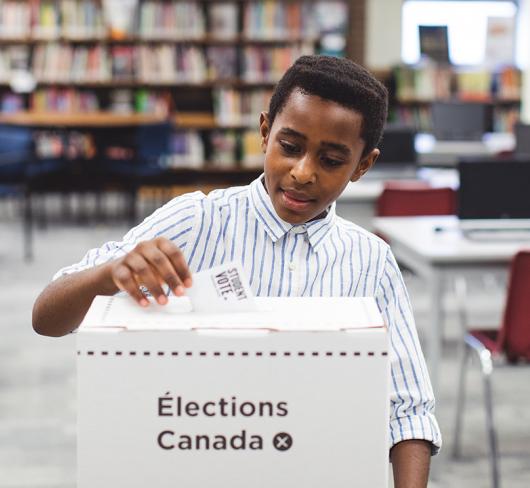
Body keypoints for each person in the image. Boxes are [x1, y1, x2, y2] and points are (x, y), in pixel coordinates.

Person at [33, 55, 441, 487]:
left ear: (362, 165)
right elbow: (46, 318)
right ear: (265, 133)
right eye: (290, 146)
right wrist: (108, 273)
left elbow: (408, 411)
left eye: (332, 159)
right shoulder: (197, 222)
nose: (303, 173)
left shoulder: (370, 263)